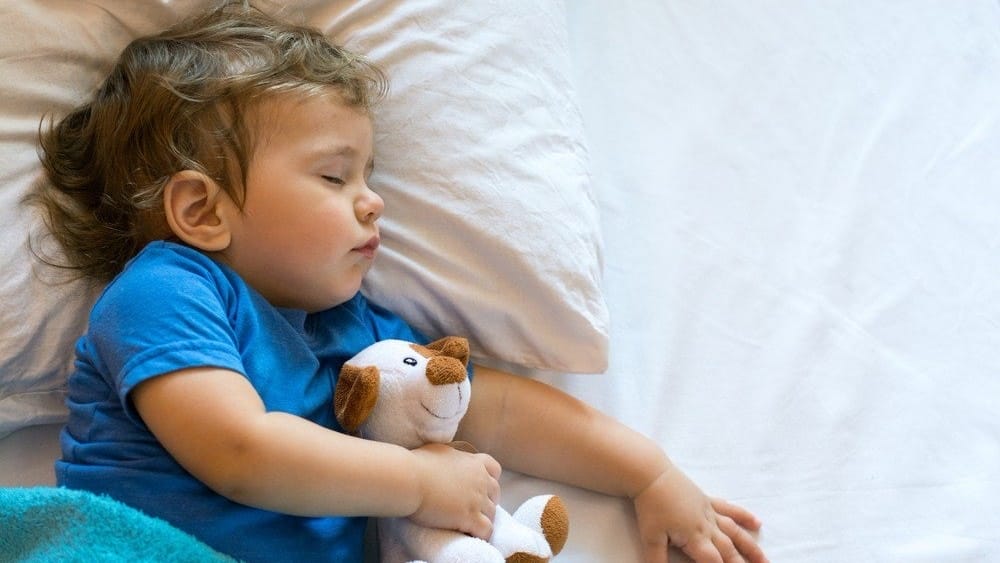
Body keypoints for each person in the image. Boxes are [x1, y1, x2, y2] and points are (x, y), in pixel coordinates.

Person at [30, 2, 767, 562]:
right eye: (333, 174)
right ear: (201, 209)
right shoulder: (166, 291)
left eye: (369, 174)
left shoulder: (354, 328)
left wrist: (648, 472)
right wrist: (417, 483)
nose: (371, 199)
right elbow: (241, 451)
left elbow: (495, 409)